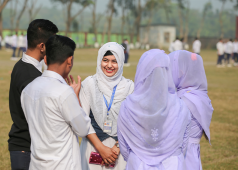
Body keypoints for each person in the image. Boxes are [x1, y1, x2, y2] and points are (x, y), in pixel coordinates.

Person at [21, 35, 91, 170]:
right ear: (70, 60)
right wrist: (75, 98)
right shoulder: (64, 92)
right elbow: (83, 129)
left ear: (45, 59)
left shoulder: (28, 90)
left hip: (36, 165)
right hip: (63, 165)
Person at [117, 49, 191, 170]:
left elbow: (124, 147)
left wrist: (136, 157)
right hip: (172, 164)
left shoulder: (128, 106)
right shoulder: (181, 106)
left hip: (138, 164)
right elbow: (183, 145)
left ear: (141, 72)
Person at [8, 19, 58, 170]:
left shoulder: (20, 65)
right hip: (27, 148)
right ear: (42, 46)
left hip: (21, 145)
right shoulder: (32, 76)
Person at [80, 42, 134, 170]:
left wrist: (117, 147)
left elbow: (132, 122)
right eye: (105, 60)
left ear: (121, 63)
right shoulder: (89, 84)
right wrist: (101, 149)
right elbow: (83, 121)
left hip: (119, 151)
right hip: (93, 147)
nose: (109, 65)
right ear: (99, 61)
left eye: (114, 61)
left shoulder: (129, 87)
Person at [169, 50, 214, 170]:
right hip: (193, 152)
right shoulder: (199, 95)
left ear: (182, 73)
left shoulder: (183, 100)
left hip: (182, 155)